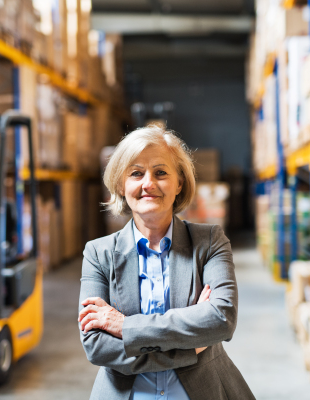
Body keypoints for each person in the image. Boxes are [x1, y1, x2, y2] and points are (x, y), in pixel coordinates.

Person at [78, 125, 255, 400]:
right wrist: (189, 347)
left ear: (179, 183)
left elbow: (221, 319)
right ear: (121, 185)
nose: (148, 183)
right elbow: (97, 346)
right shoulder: (98, 254)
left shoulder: (209, 242)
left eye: (161, 172)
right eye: (136, 173)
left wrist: (125, 327)